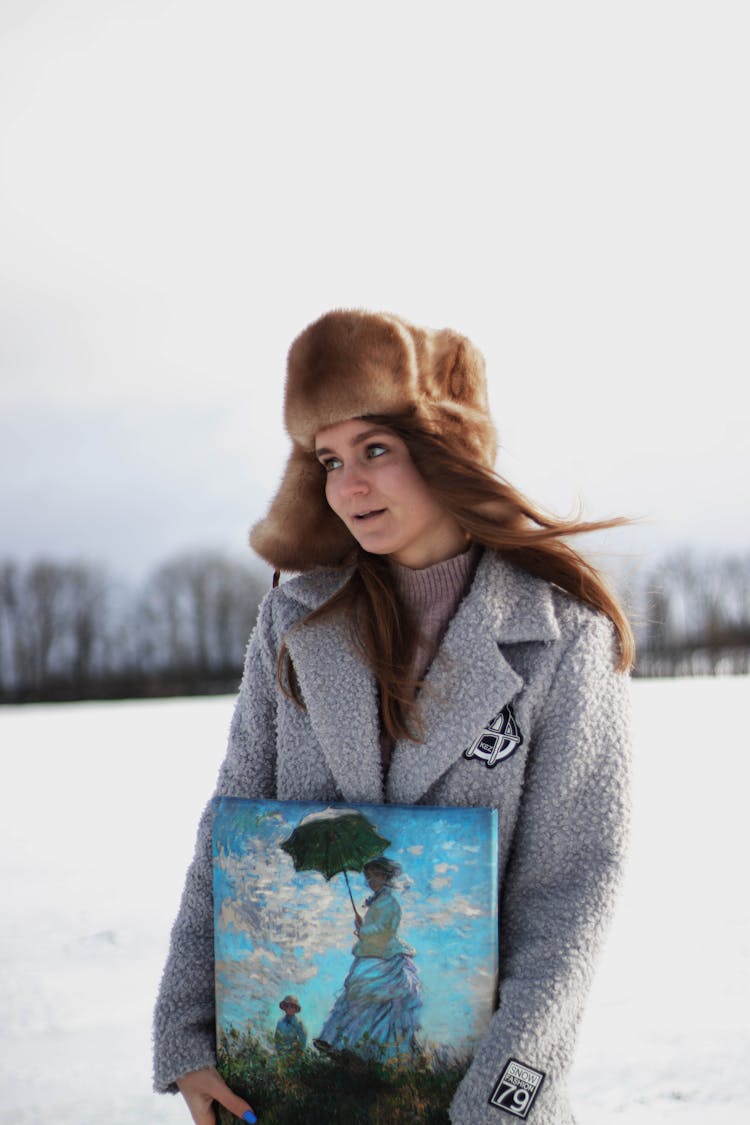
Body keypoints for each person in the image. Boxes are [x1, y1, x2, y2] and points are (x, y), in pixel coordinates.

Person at [153, 309, 632, 1124]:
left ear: (449, 452)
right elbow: (228, 840)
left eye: (376, 449)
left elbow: (569, 897)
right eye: (329, 459)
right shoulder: (295, 626)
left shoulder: (561, 639)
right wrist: (189, 1034)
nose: (349, 485)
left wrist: (498, 1102)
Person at [314, 856, 422, 1061]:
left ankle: (361, 1049)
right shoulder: (379, 901)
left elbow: (386, 929)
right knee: (355, 997)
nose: (369, 881)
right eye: (368, 877)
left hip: (383, 957)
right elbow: (373, 928)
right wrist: (362, 926)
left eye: (373, 876)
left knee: (371, 998)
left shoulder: (390, 902)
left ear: (384, 876)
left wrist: (364, 928)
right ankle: (337, 1042)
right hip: (370, 953)